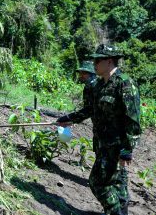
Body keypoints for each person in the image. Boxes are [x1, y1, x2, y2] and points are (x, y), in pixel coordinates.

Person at [57, 44, 141, 215]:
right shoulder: (99, 85)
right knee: (116, 185)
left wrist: (127, 149)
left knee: (97, 182)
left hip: (117, 146)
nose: (94, 63)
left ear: (109, 61)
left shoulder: (124, 84)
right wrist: (68, 119)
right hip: (102, 144)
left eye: (98, 60)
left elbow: (133, 120)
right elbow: (89, 110)